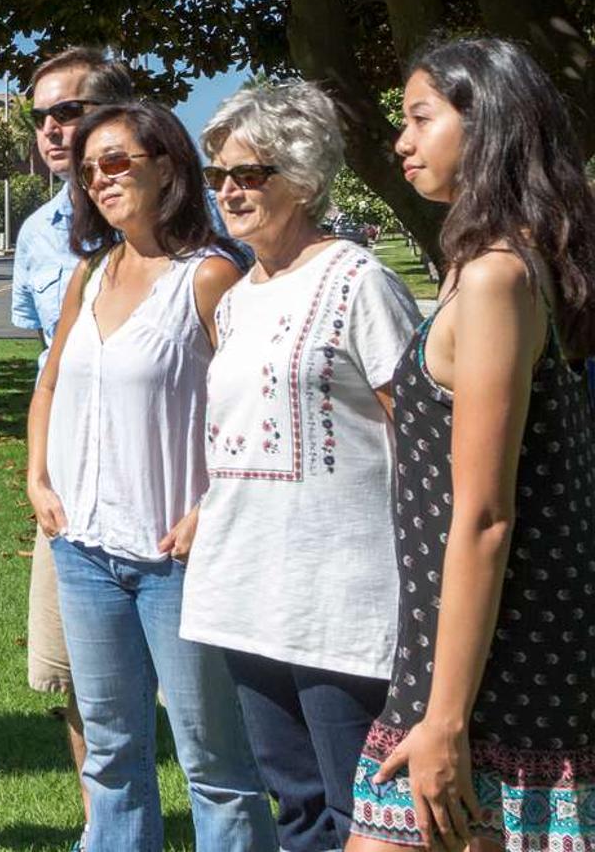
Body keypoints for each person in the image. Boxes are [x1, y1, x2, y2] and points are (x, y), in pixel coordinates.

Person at [347, 37, 595, 852]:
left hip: (491, 675)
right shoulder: (489, 266)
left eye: (421, 118)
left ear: (484, 126)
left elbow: (484, 514)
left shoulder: (498, 277)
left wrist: (445, 718)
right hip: (457, 649)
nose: (401, 142)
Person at [175, 80, 421, 851]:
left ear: (306, 176)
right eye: (220, 176)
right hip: (248, 591)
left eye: (252, 173)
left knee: (369, 817)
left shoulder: (359, 280)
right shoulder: (238, 296)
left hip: (342, 599)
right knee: (299, 809)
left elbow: (419, 439)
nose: (230, 192)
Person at [24, 100, 277, 851]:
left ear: (167, 167)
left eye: (116, 161)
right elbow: (48, 384)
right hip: (85, 552)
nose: (97, 177)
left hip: (178, 560)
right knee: (110, 755)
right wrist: (38, 478)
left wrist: (212, 505)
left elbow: (258, 410)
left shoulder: (211, 277)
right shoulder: (93, 273)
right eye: (87, 167)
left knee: (214, 763)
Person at [8, 46, 137, 843]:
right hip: (68, 486)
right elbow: (42, 365)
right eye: (41, 116)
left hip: (167, 480)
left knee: (204, 682)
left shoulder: (198, 220)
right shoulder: (35, 234)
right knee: (74, 673)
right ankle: (103, 826)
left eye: (69, 110)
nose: (53, 129)